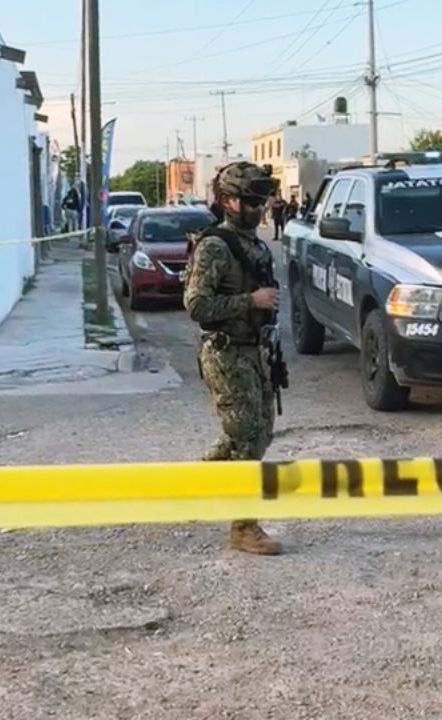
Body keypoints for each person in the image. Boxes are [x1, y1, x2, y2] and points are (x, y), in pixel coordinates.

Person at [183, 162, 284, 556]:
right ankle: (243, 527)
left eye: (263, 200)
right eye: (251, 201)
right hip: (226, 354)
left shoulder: (256, 246)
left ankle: (189, 485)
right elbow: (196, 305)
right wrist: (249, 301)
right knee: (245, 438)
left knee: (259, 434)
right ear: (228, 201)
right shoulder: (216, 246)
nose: (260, 208)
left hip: (255, 351)